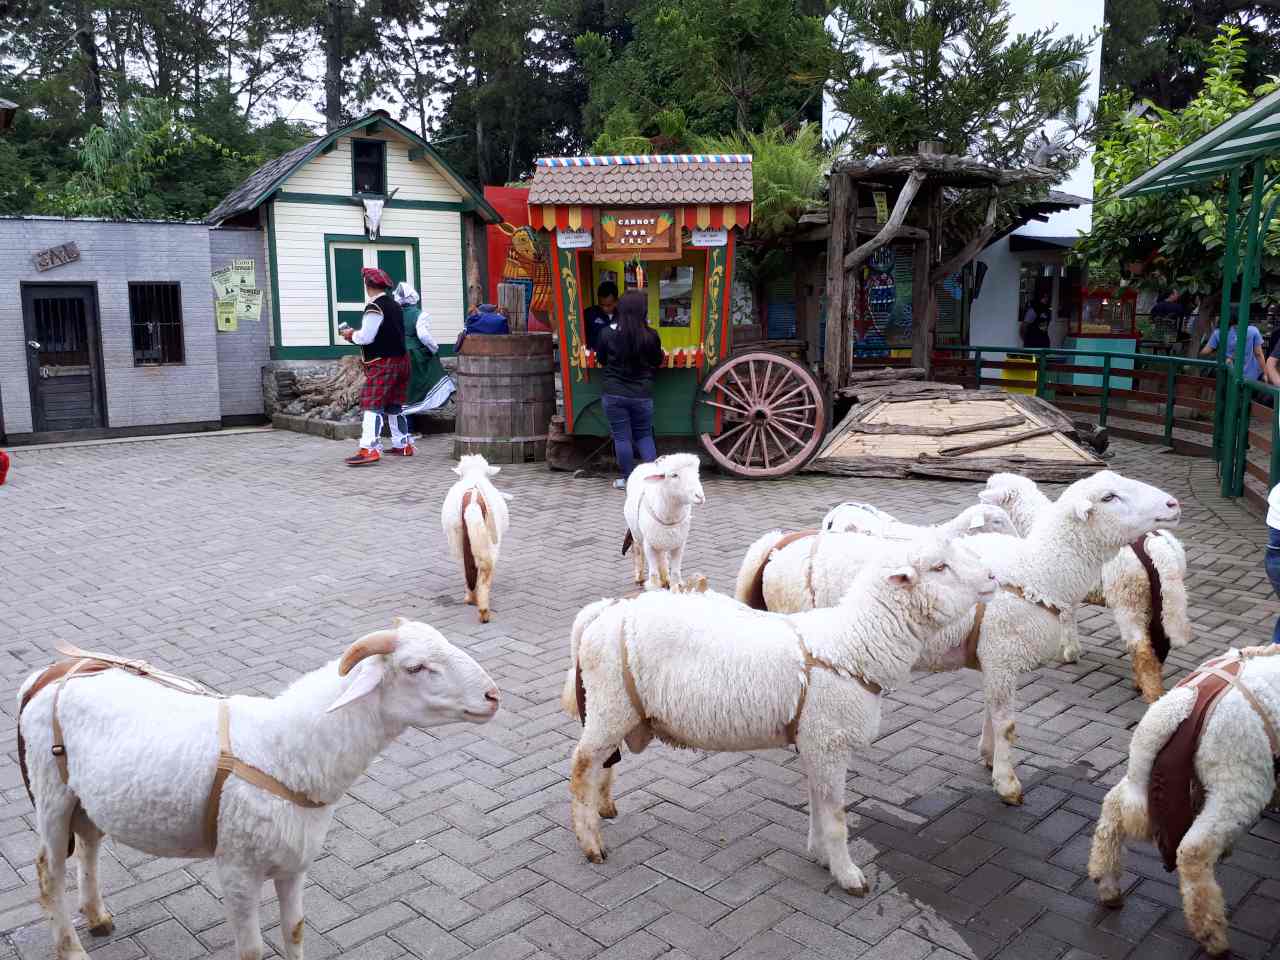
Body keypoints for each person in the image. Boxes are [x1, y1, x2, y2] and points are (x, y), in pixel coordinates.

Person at [338, 267, 411, 466]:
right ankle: (403, 444)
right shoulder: (395, 305)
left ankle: (369, 448)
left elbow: (366, 337)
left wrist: (350, 335)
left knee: (372, 404)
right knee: (395, 404)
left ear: (367, 285)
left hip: (383, 362)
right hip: (402, 360)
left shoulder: (374, 307)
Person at [596, 289, 664, 489]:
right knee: (644, 435)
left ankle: (627, 480)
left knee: (622, 437)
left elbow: (601, 359)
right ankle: (653, 481)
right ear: (643, 310)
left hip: (613, 393)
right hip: (642, 394)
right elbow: (657, 361)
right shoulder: (651, 335)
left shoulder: (606, 332)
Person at [394, 282, 455, 421]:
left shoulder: (395, 314)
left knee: (403, 388)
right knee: (415, 385)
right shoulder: (420, 314)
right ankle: (408, 429)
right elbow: (423, 335)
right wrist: (434, 348)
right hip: (413, 354)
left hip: (397, 353)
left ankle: (404, 429)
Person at [1201, 318, 1266, 382]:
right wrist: (1265, 373)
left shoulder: (1219, 332)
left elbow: (1205, 351)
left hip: (1230, 375)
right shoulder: (1253, 330)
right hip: (1251, 376)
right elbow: (1258, 354)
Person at [584, 281, 619, 351]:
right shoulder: (589, 314)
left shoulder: (623, 317)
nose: (604, 308)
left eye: (608, 305)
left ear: (616, 302)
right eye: (601, 304)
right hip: (594, 359)